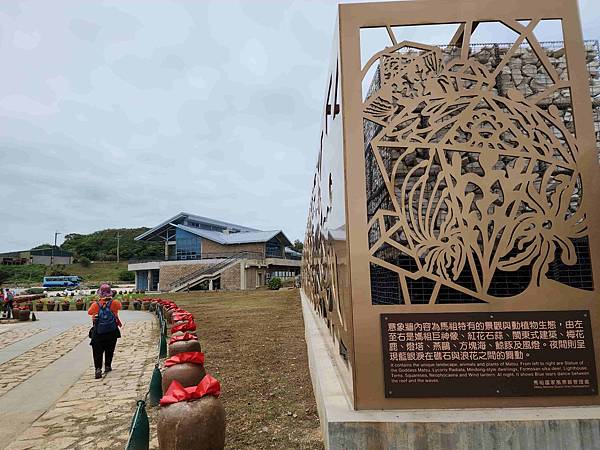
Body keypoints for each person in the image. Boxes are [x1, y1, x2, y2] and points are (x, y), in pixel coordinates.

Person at [88, 283, 122, 379]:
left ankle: (98, 368)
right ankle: (107, 366)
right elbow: (119, 307)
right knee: (109, 349)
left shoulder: (95, 305)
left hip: (98, 331)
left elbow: (89, 312)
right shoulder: (115, 303)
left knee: (97, 351)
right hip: (112, 330)